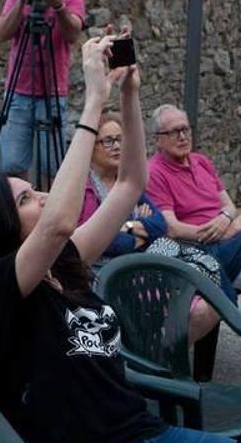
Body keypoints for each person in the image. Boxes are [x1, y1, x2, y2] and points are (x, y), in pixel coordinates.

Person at [0, 35, 232, 443]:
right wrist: (92, 102)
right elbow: (58, 224)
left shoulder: (60, 265)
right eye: (26, 198)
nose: (42, 196)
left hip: (146, 433)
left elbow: (130, 184)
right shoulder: (0, 288)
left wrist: (129, 95)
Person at [145, 105, 241, 329]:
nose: (182, 136)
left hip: (230, 247)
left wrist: (225, 219)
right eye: (173, 132)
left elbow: (229, 205)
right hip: (199, 253)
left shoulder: (201, 162)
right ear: (158, 139)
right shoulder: (154, 172)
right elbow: (172, 228)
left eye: (185, 129)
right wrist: (218, 232)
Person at [82, 112, 219, 344]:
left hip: (143, 264)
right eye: (108, 141)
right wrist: (136, 232)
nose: (116, 147)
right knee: (185, 305)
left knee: (210, 307)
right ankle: (156, 358)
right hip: (108, 275)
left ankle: (160, 358)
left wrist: (124, 227)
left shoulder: (127, 182)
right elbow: (102, 242)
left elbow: (159, 224)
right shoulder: (86, 190)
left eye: (120, 140)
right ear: (90, 148)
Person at [0, 0, 87, 179]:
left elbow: (73, 34)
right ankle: (21, 210)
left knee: (52, 165)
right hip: (19, 92)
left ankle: (50, 211)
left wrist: (57, 6)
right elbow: (1, 33)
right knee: (12, 164)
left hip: (53, 92)